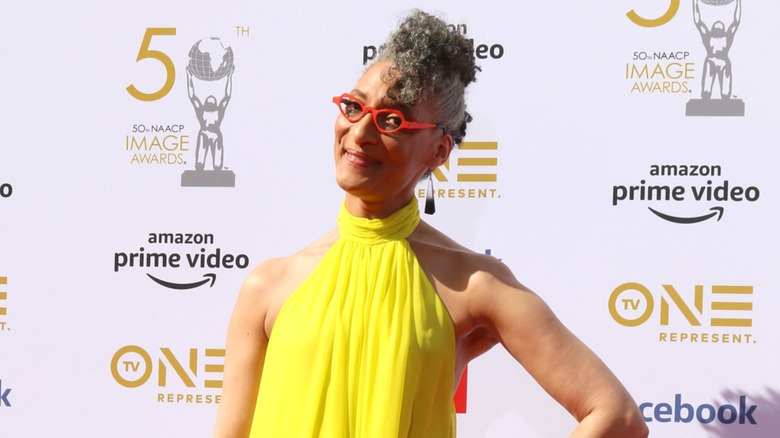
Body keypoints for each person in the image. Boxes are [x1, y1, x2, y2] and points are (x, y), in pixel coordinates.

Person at [213, 10, 649, 438]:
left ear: (439, 152)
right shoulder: (267, 286)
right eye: (353, 106)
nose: (360, 131)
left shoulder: (473, 283)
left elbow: (617, 416)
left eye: (392, 120)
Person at [693, 0, 742, 99]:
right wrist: (695, 3)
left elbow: (736, 22)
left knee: (725, 93)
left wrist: (738, 3)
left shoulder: (726, 37)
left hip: (723, 62)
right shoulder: (709, 37)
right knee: (706, 92)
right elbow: (698, 22)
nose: (718, 29)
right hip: (711, 61)